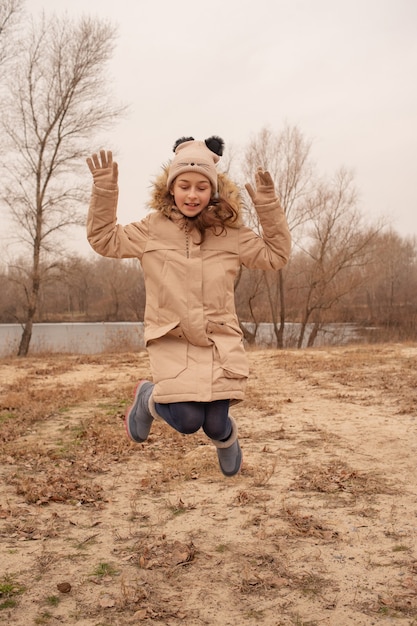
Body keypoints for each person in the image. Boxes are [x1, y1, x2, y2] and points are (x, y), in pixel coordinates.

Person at [86, 135, 291, 477]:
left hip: (218, 341)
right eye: (184, 186)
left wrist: (268, 207)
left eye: (201, 187)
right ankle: (147, 399)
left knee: (214, 424)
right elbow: (104, 240)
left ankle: (227, 440)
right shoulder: (152, 229)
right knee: (187, 420)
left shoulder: (230, 233)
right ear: (171, 188)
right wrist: (105, 193)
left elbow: (276, 255)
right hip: (173, 338)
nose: (192, 195)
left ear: (213, 190)